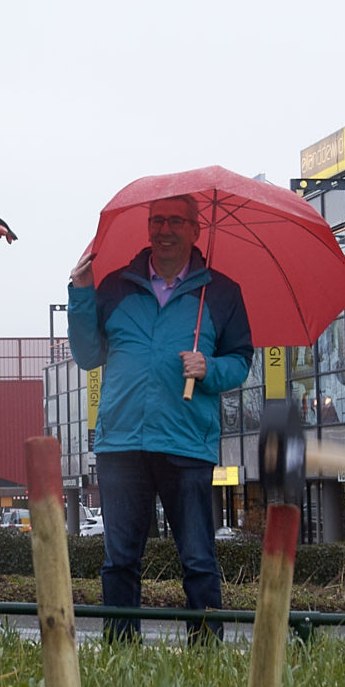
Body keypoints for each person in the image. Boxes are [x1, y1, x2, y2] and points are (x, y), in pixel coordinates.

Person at [67, 194, 252, 644]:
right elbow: (88, 355)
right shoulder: (114, 286)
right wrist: (80, 292)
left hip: (186, 443)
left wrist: (210, 369)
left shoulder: (222, 293)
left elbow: (242, 360)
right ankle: (120, 651)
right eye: (156, 221)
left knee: (198, 559)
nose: (164, 230)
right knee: (119, 560)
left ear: (195, 230)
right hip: (121, 444)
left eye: (174, 221)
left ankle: (206, 651)